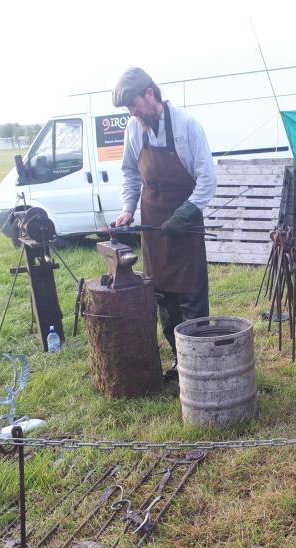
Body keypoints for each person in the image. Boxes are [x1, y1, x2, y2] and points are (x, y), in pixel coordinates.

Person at [112, 67, 216, 377]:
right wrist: (128, 209)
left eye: (134, 104)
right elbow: (130, 172)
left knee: (190, 295)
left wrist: (186, 213)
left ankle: (200, 359)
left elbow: (207, 180)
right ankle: (179, 358)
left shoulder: (187, 127)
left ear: (150, 93)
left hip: (185, 224)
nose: (132, 112)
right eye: (128, 108)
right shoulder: (134, 128)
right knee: (163, 296)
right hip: (154, 226)